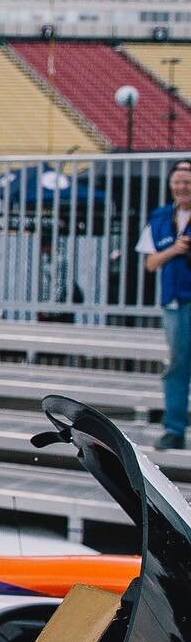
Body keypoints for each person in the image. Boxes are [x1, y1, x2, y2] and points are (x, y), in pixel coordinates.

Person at [138, 158, 191, 449]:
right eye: (178, 183)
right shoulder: (160, 218)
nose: (182, 187)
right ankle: (174, 428)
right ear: (171, 186)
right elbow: (150, 262)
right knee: (178, 365)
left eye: (187, 182)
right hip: (174, 301)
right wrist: (175, 249)